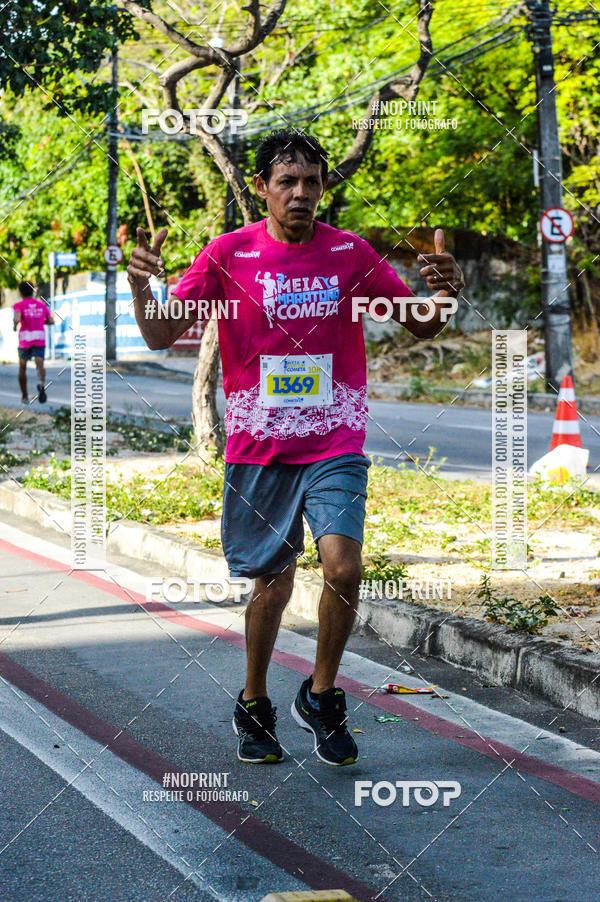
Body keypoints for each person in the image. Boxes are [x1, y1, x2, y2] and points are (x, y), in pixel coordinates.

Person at [127, 129, 464, 766]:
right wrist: (144, 286)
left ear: (323, 187)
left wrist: (445, 291)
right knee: (273, 585)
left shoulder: (349, 253)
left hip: (335, 442)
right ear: (263, 189)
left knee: (343, 567)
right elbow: (158, 334)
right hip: (259, 452)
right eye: (288, 181)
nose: (302, 193)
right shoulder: (229, 254)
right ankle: (254, 702)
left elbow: (420, 320)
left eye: (312, 180)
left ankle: (322, 694)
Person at [13, 282, 54, 404]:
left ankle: (25, 396)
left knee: (22, 367)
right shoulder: (41, 305)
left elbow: (17, 318)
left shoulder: (18, 305)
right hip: (39, 336)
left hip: (25, 339)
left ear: (20, 292)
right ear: (33, 291)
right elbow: (50, 321)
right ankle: (41, 383)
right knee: (40, 364)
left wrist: (14, 326)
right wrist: (41, 322)